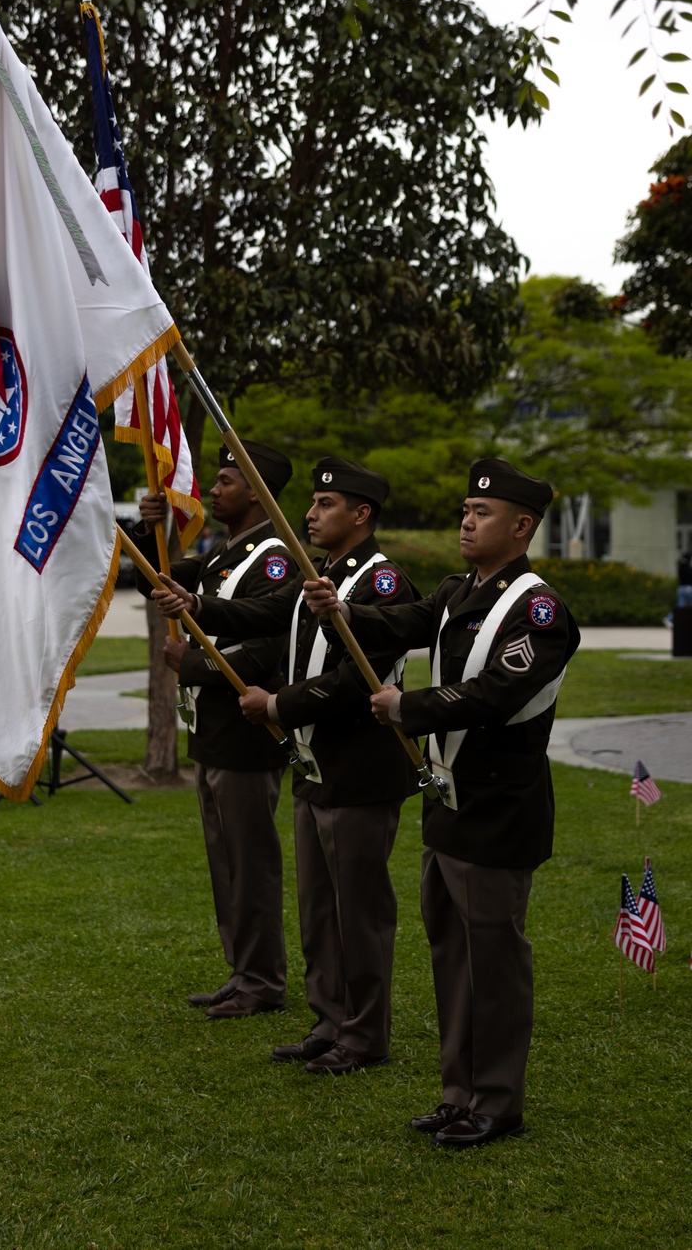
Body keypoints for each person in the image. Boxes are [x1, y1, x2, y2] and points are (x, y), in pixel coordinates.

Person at [305, 457, 579, 1148]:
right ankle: (459, 1093)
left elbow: (495, 696)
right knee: (451, 958)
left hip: (498, 809)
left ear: (521, 526)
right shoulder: (460, 590)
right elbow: (404, 621)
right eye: (464, 508)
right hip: (448, 806)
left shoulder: (539, 611)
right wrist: (343, 611)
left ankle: (500, 1101)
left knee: (494, 961)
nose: (466, 519)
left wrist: (408, 706)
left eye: (481, 513)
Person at [154, 457, 419, 1074]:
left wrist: (278, 704)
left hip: (359, 764)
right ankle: (329, 1021)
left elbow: (358, 680)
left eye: (327, 505)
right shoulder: (315, 577)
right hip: (315, 763)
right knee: (318, 906)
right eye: (314, 503)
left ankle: (364, 1032)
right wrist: (196, 603)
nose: (310, 514)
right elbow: (261, 616)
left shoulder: (381, 583)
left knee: (358, 910)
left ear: (362, 514)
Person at [136, 442, 297, 1020]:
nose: (214, 488)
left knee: (250, 862)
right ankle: (243, 969)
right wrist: (148, 526)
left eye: (226, 479)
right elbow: (152, 579)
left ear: (256, 491)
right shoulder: (224, 554)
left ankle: (263, 979)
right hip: (213, 730)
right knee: (224, 860)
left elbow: (263, 651)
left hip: (247, 732)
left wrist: (191, 664)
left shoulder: (276, 559)